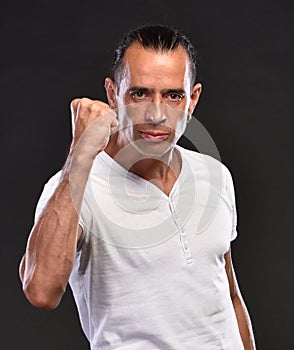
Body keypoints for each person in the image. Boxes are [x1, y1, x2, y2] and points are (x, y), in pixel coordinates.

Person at [19, 24, 256, 349]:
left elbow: (228, 294)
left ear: (193, 100)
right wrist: (79, 156)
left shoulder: (214, 174)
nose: (157, 114)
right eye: (140, 93)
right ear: (113, 93)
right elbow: (40, 291)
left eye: (173, 95)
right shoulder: (76, 186)